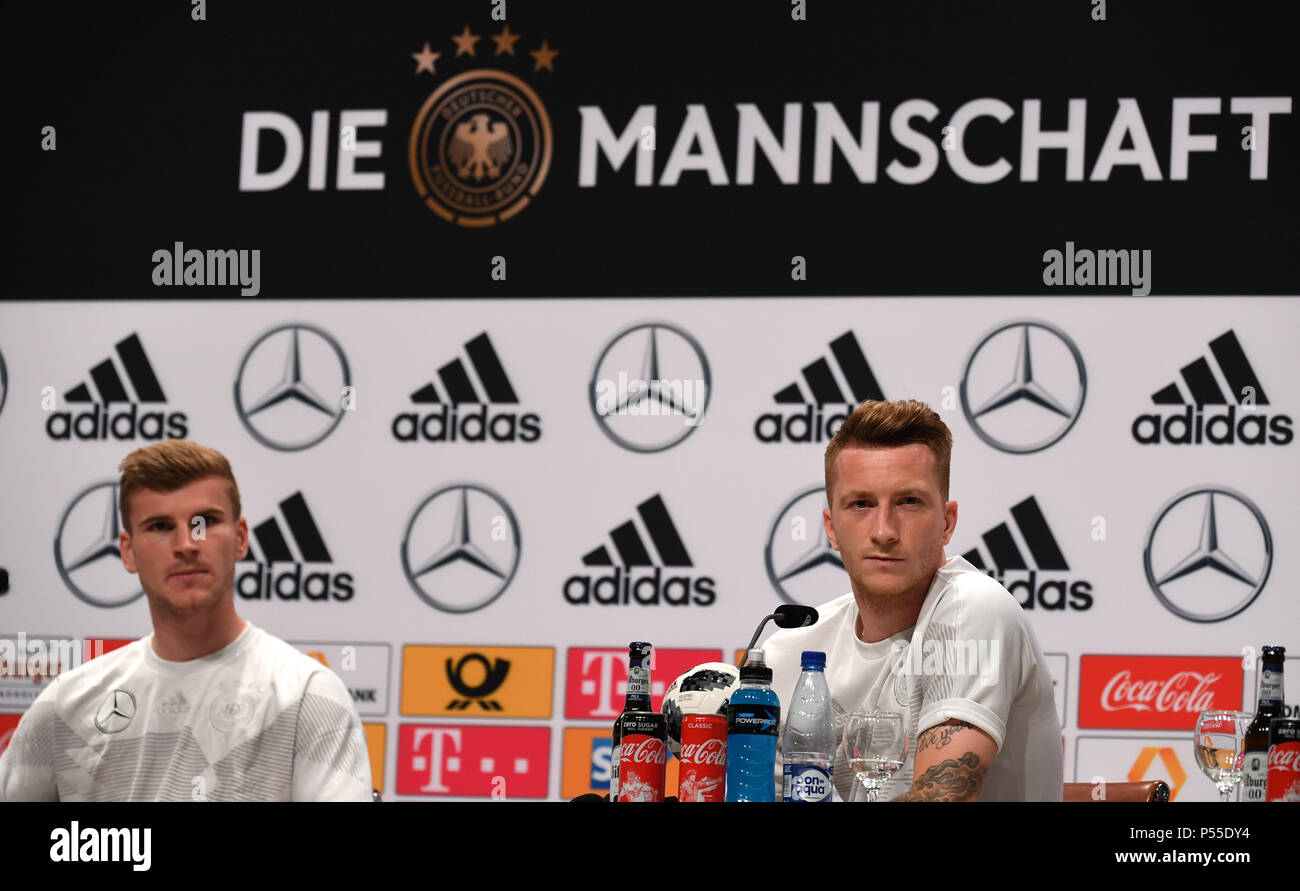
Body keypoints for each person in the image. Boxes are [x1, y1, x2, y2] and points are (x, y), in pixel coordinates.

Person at [0, 440, 372, 801]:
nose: (187, 544)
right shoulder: (68, 703)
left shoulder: (307, 695)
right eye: (160, 527)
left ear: (240, 539)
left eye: (205, 522)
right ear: (128, 552)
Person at [763, 399, 1062, 801]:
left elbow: (943, 797)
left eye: (909, 502)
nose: (884, 531)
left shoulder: (972, 608)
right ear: (831, 529)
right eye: (862, 504)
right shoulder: (789, 650)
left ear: (947, 522)